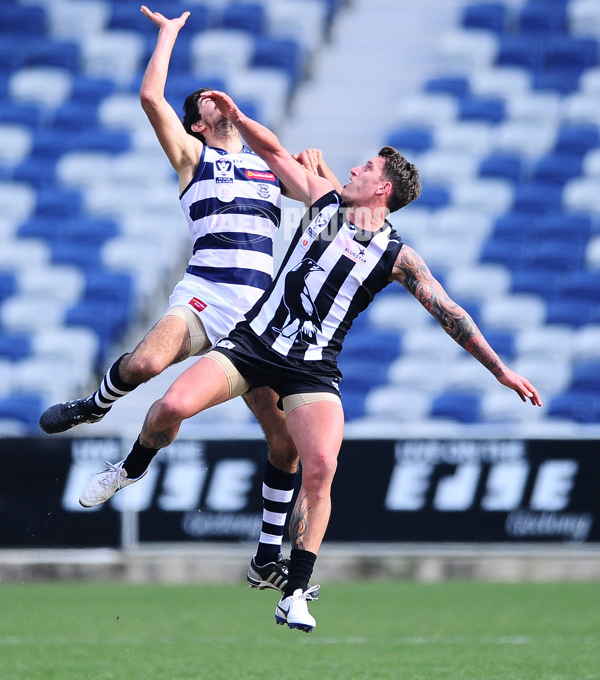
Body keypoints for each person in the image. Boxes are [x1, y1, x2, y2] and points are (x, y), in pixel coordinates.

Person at [78, 89, 543, 634]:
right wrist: (237, 118)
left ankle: (294, 591)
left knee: (320, 466)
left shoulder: (396, 256)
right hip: (255, 344)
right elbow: (274, 152)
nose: (353, 167)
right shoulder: (323, 205)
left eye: (366, 166)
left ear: (383, 188)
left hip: (312, 369)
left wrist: (501, 371)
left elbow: (450, 311)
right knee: (168, 408)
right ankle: (128, 469)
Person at [39, 8, 340, 596]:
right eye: (202, 99)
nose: (213, 98)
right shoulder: (193, 158)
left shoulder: (266, 167)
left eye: (215, 95)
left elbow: (334, 217)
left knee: (283, 444)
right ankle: (103, 419)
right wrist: (168, 35)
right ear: (198, 124)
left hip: (260, 319)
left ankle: (264, 558)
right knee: (148, 368)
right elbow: (152, 95)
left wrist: (322, 172)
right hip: (205, 295)